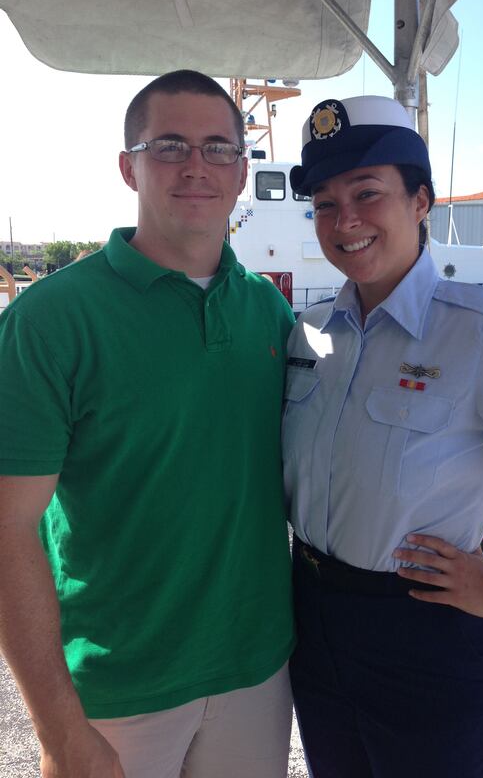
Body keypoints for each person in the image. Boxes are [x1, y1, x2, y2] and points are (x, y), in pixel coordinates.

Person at [284, 94, 483, 778]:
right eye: (325, 204)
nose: (346, 221)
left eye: (368, 193)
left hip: (428, 639)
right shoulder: (308, 334)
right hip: (312, 620)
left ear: (421, 200)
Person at [0, 70, 295, 778]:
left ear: (242, 169)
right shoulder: (49, 321)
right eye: (169, 145)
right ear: (128, 166)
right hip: (116, 688)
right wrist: (59, 728)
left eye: (219, 147)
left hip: (255, 673)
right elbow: (7, 529)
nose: (197, 165)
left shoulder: (268, 313)